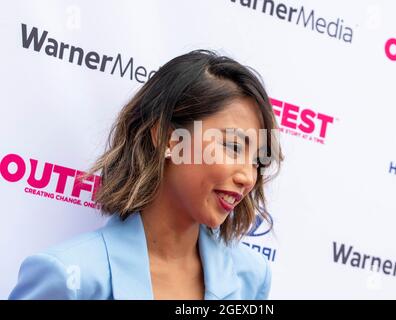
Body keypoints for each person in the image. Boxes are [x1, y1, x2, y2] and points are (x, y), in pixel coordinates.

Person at [9, 49, 283, 300]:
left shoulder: (251, 278)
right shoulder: (70, 277)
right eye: (233, 147)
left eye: (258, 160)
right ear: (169, 139)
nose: (248, 177)